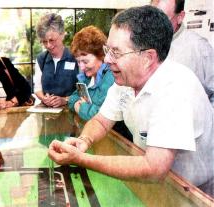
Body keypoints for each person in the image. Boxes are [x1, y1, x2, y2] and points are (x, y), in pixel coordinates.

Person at [48, 5, 214, 197]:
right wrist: (84, 141)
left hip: (193, 192)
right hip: (158, 184)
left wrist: (81, 159)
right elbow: (101, 120)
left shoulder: (175, 87)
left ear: (148, 57)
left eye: (116, 52)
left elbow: (153, 167)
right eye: (107, 50)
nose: (108, 59)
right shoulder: (125, 80)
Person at [151, 0, 214, 107]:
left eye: (163, 19)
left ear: (180, 17)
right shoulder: (143, 42)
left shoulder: (199, 48)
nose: (154, 25)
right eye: (152, 17)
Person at [68, 25, 114, 120]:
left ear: (101, 55)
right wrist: (78, 104)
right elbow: (72, 99)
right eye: (78, 61)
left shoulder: (112, 79)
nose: (81, 67)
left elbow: (103, 116)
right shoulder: (87, 79)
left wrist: (80, 108)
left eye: (85, 61)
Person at [34, 13, 79, 108]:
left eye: (52, 40)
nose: (48, 45)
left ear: (62, 34)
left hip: (72, 109)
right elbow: (37, 88)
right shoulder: (41, 59)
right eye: (44, 41)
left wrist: (65, 100)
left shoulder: (76, 57)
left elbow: (84, 92)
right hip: (47, 114)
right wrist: (44, 98)